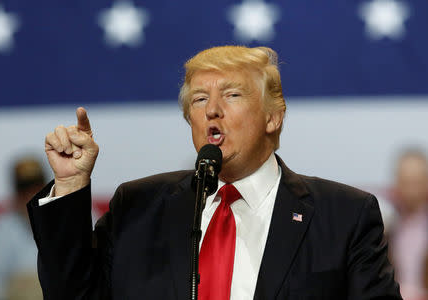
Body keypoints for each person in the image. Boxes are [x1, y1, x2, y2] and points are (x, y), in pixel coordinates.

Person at [27, 46, 402, 299]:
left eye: (233, 95)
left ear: (273, 116)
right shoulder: (137, 206)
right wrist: (71, 184)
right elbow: (70, 294)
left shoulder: (344, 216)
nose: (212, 111)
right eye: (200, 99)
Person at [0, 156, 44, 300]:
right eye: (25, 191)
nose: (31, 196)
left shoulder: (73, 218)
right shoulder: (1, 228)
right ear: (16, 195)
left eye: (37, 189)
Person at [388, 150, 428, 299]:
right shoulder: (385, 231)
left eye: (416, 182)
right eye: (406, 182)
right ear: (397, 183)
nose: (411, 191)